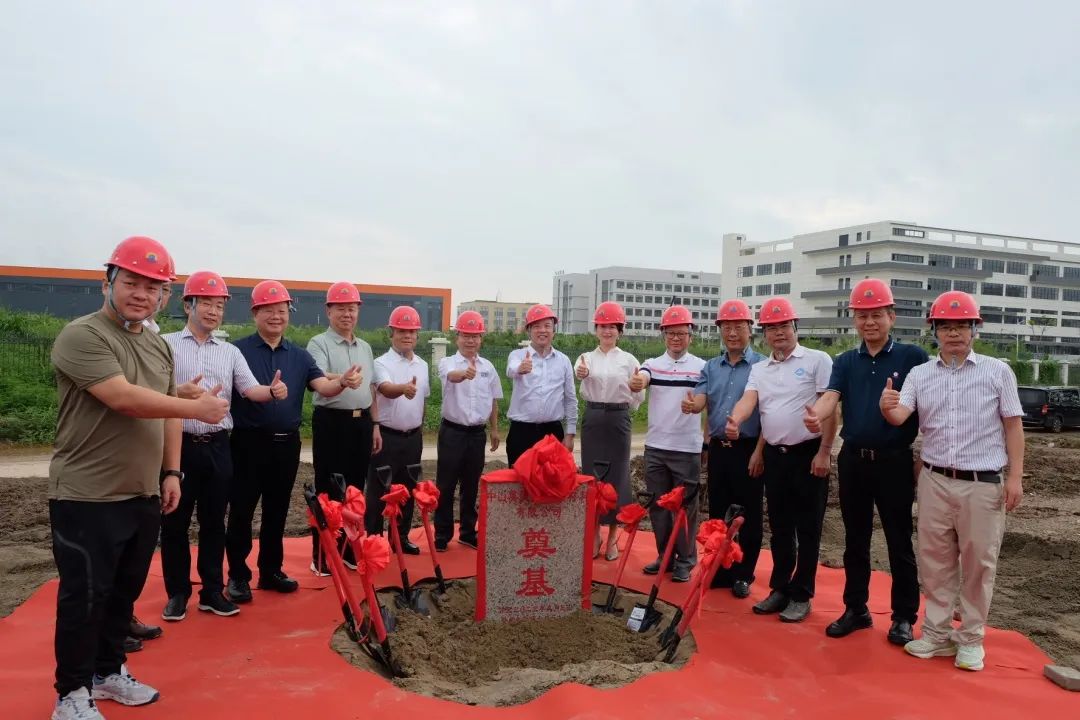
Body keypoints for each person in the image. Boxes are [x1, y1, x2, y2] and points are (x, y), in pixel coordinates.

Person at [48, 236, 229, 720]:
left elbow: (167, 413)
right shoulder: (82, 335)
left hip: (142, 491)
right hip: (87, 494)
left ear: (165, 296)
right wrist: (195, 407)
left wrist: (171, 471)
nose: (142, 294)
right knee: (85, 596)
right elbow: (123, 398)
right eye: (131, 282)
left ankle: (108, 672)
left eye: (154, 288)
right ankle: (70, 694)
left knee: (122, 593)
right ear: (107, 282)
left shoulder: (154, 344)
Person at [880, 290, 1024, 672]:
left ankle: (971, 639)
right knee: (935, 561)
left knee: (979, 563)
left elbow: (1013, 426)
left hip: (982, 482)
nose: (954, 333)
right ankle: (937, 634)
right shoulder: (920, 375)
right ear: (935, 331)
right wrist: (887, 408)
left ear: (975, 329)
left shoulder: (997, 372)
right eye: (946, 326)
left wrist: (1015, 477)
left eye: (962, 325)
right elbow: (900, 416)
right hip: (935, 480)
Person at [804, 279, 928, 645]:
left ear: (892, 317)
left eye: (876, 315)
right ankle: (855, 609)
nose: (869, 322)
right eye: (862, 316)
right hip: (854, 461)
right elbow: (831, 397)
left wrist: (923, 455)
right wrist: (815, 415)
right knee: (854, 539)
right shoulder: (845, 361)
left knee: (898, 540)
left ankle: (903, 616)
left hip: (894, 461)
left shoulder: (912, 357)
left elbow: (927, 407)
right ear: (854, 320)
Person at [160, 271, 287, 621]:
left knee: (215, 521)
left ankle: (212, 591)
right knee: (174, 522)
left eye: (219, 306)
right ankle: (177, 594)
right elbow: (150, 389)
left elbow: (249, 389)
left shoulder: (230, 352)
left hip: (218, 446)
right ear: (188, 305)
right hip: (178, 443)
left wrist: (271, 391)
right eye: (207, 303)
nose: (214, 311)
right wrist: (177, 394)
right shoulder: (166, 345)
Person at [225, 281, 361, 603]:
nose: (276, 316)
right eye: (269, 310)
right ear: (255, 313)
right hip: (248, 443)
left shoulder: (300, 356)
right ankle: (238, 576)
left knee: (277, 510)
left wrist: (342, 382)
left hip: (287, 446)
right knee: (242, 510)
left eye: (282, 311)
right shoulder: (236, 351)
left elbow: (322, 387)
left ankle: (271, 570)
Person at [726, 297, 835, 623]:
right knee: (780, 527)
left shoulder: (817, 360)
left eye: (784, 326)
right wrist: (736, 420)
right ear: (765, 334)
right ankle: (780, 587)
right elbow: (750, 400)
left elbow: (831, 407)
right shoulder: (760, 369)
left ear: (794, 327)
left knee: (808, 528)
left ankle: (802, 594)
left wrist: (825, 451)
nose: (778, 333)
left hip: (808, 455)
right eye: (771, 328)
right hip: (776, 456)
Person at [684, 299, 766, 598]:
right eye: (726, 327)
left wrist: (759, 452)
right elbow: (702, 400)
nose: (732, 333)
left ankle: (743, 574)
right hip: (719, 448)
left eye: (738, 326)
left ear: (749, 329)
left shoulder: (762, 366)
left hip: (748, 449)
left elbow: (767, 413)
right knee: (718, 512)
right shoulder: (711, 367)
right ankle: (720, 569)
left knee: (749, 514)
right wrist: (693, 406)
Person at [305, 282, 382, 575]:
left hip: (361, 423)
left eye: (352, 308)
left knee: (354, 490)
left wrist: (375, 424)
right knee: (328, 490)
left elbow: (371, 388)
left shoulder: (365, 347)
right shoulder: (318, 343)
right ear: (329, 311)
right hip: (331, 423)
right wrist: (341, 379)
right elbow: (318, 377)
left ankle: (349, 550)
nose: (347, 314)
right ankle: (323, 555)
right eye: (341, 308)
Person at [632, 305, 705, 583]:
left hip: (686, 449)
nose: (676, 338)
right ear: (663, 335)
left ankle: (685, 560)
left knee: (686, 509)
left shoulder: (701, 368)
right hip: (656, 447)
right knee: (658, 507)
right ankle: (665, 556)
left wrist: (695, 407)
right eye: (671, 333)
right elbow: (642, 377)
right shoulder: (652, 364)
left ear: (690, 336)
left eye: (681, 333)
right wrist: (638, 382)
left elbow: (705, 399)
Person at [574, 301, 643, 561]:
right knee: (592, 478)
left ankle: (613, 536)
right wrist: (582, 373)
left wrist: (635, 388)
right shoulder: (586, 358)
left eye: (613, 326)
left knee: (617, 478)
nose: (607, 331)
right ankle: (594, 535)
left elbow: (638, 393)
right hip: (593, 417)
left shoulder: (629, 360)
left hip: (618, 419)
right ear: (596, 330)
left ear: (620, 331)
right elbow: (579, 373)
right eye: (602, 326)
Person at [434, 310, 502, 551]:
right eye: (466, 335)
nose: (470, 340)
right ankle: (442, 534)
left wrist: (494, 429)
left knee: (471, 484)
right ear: (457, 338)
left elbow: (493, 400)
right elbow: (451, 376)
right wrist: (464, 374)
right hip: (452, 432)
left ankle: (467, 531)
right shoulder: (447, 363)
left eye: (475, 336)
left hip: (477, 434)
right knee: (446, 484)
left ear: (481, 339)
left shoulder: (488, 367)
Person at [505, 304, 577, 465]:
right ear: (528, 330)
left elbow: (570, 399)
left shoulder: (563, 361)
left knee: (551, 479)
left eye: (547, 326)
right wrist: (520, 368)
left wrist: (570, 434)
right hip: (521, 432)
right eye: (536, 326)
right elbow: (511, 369)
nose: (542, 330)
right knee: (519, 478)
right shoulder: (517, 355)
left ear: (554, 331)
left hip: (552, 433)